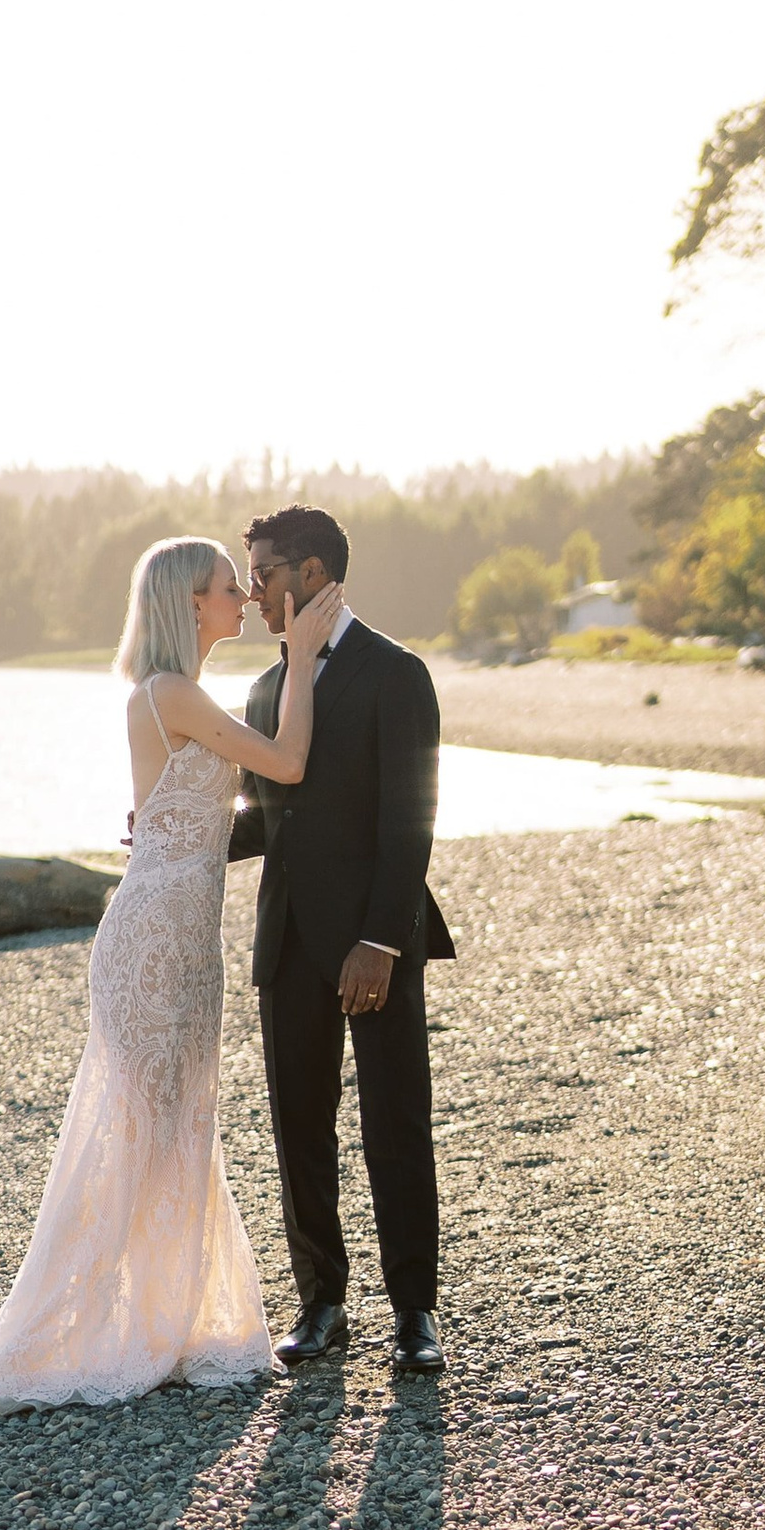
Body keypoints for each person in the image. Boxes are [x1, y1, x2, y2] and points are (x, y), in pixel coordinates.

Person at [0, 535, 340, 1420]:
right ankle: (103, 1330)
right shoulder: (173, 693)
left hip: (181, 938)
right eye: (232, 587)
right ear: (192, 602)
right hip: (153, 944)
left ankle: (163, 1317)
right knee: (146, 1132)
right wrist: (301, 659)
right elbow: (289, 764)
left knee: (177, 1126)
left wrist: (158, 823)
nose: (244, 597)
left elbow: (192, 812)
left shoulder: (176, 696)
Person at [233, 503, 454, 1373]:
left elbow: (411, 821)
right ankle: (322, 1302)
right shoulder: (262, 690)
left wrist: (381, 940)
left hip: (375, 943)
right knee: (300, 1126)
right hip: (286, 941)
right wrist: (181, 831)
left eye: (264, 575)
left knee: (396, 1120)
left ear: (313, 574)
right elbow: (267, 820)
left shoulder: (396, 674)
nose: (252, 595)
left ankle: (415, 1311)